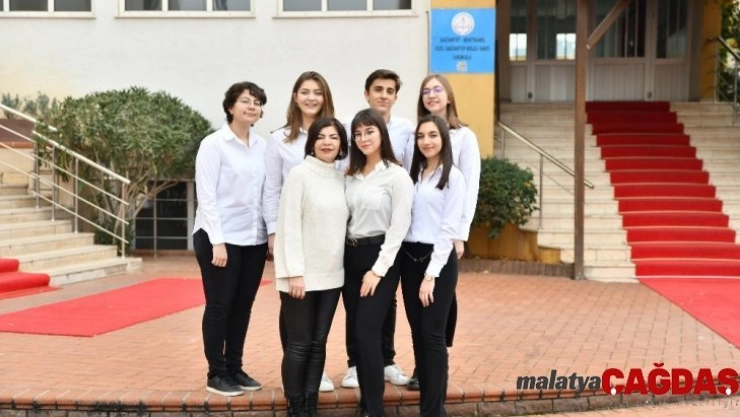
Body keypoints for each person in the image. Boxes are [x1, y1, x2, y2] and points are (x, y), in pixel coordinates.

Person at [192, 81, 269, 397]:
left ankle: (235, 367)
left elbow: (268, 193)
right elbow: (206, 196)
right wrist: (217, 241)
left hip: (253, 239)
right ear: (230, 107)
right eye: (246, 101)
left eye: (257, 102)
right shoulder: (214, 144)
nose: (252, 106)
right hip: (218, 238)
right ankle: (216, 373)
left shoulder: (263, 146)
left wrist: (269, 234)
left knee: (243, 306)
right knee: (220, 306)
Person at [263, 71, 337, 393]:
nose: (311, 98)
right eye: (305, 92)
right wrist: (273, 232)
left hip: (325, 237)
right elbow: (271, 189)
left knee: (316, 317)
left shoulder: (334, 134)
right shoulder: (279, 139)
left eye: (317, 92)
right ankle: (295, 370)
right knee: (294, 307)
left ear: (325, 97)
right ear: (295, 97)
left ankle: (313, 372)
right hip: (292, 234)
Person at [407, 74, 481, 390]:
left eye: (438, 89)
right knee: (421, 308)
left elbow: (470, 184)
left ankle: (436, 360)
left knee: (441, 299)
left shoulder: (464, 136)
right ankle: (423, 364)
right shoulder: (417, 136)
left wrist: (461, 233)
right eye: (426, 91)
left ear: (449, 96)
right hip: (419, 232)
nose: (432, 95)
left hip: (447, 228)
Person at [340, 69, 412, 389]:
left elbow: (399, 225)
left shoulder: (396, 175)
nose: (364, 138)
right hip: (350, 255)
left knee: (369, 325)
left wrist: (379, 269)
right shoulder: (349, 176)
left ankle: (380, 374)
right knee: (356, 319)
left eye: (370, 132)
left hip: (381, 255)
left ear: (382, 134)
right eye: (358, 134)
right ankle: (357, 367)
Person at [274, 117, 349, 417]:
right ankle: (295, 407)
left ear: (342, 144)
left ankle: (310, 404)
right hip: (301, 276)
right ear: (312, 142)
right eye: (321, 137)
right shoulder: (299, 175)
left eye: (334, 137)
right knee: (299, 343)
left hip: (332, 275)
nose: (327, 142)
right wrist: (294, 273)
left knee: (318, 343)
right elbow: (289, 225)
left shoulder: (341, 178)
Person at [400, 114, 465, 416]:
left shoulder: (453, 176)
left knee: (433, 335)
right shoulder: (413, 174)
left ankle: (434, 411)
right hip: (409, 258)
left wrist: (431, 275)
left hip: (437, 262)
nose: (426, 141)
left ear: (443, 139)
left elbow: (449, 229)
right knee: (417, 335)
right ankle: (428, 405)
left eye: (432, 135)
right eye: (421, 136)